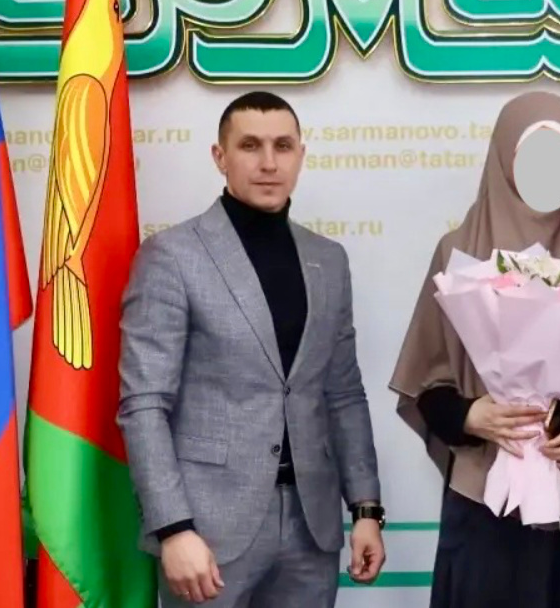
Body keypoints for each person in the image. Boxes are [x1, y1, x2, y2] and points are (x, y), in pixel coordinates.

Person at [117, 91, 386, 607]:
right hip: (207, 530)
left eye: (282, 146)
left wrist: (366, 509)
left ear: (300, 155)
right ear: (220, 157)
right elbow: (144, 404)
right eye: (250, 146)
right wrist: (173, 528)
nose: (268, 163)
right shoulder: (172, 256)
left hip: (312, 527)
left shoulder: (328, 260)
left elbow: (344, 395)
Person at [389, 91, 560, 608]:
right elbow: (427, 380)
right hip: (482, 486)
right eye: (530, 156)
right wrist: (471, 415)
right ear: (502, 159)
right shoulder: (459, 251)